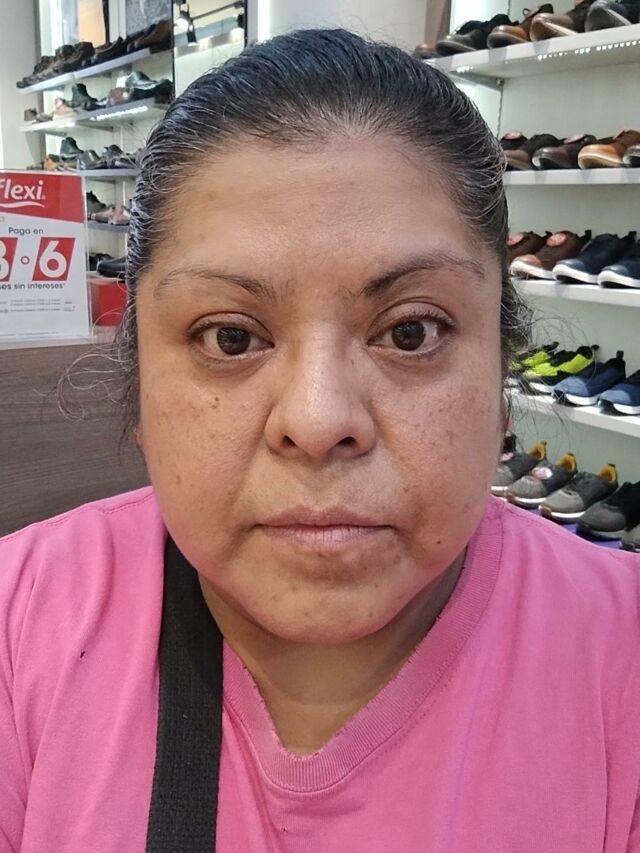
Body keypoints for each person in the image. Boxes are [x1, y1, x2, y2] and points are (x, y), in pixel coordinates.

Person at [1, 28, 639, 853]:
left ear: (502, 373)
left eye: (410, 332)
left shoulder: (619, 656)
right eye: (231, 337)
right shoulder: (20, 626)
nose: (317, 418)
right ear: (139, 386)